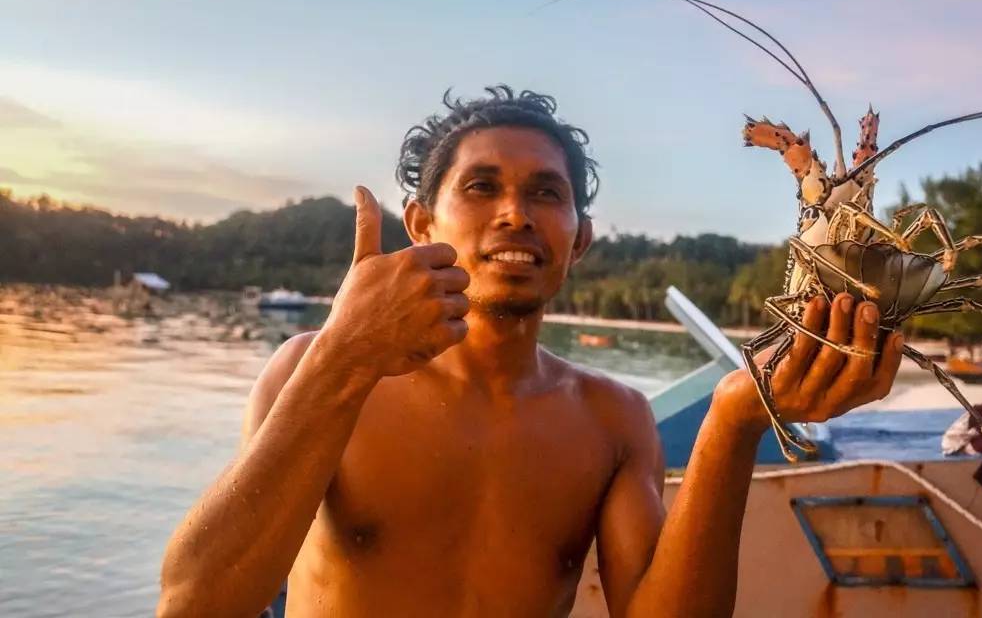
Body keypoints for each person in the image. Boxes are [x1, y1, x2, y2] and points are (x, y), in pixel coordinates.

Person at [158, 86, 903, 617]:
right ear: (420, 223)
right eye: (482, 187)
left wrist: (735, 419)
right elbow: (196, 604)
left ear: (578, 239)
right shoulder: (312, 370)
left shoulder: (614, 419)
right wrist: (344, 360)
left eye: (547, 194)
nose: (516, 213)